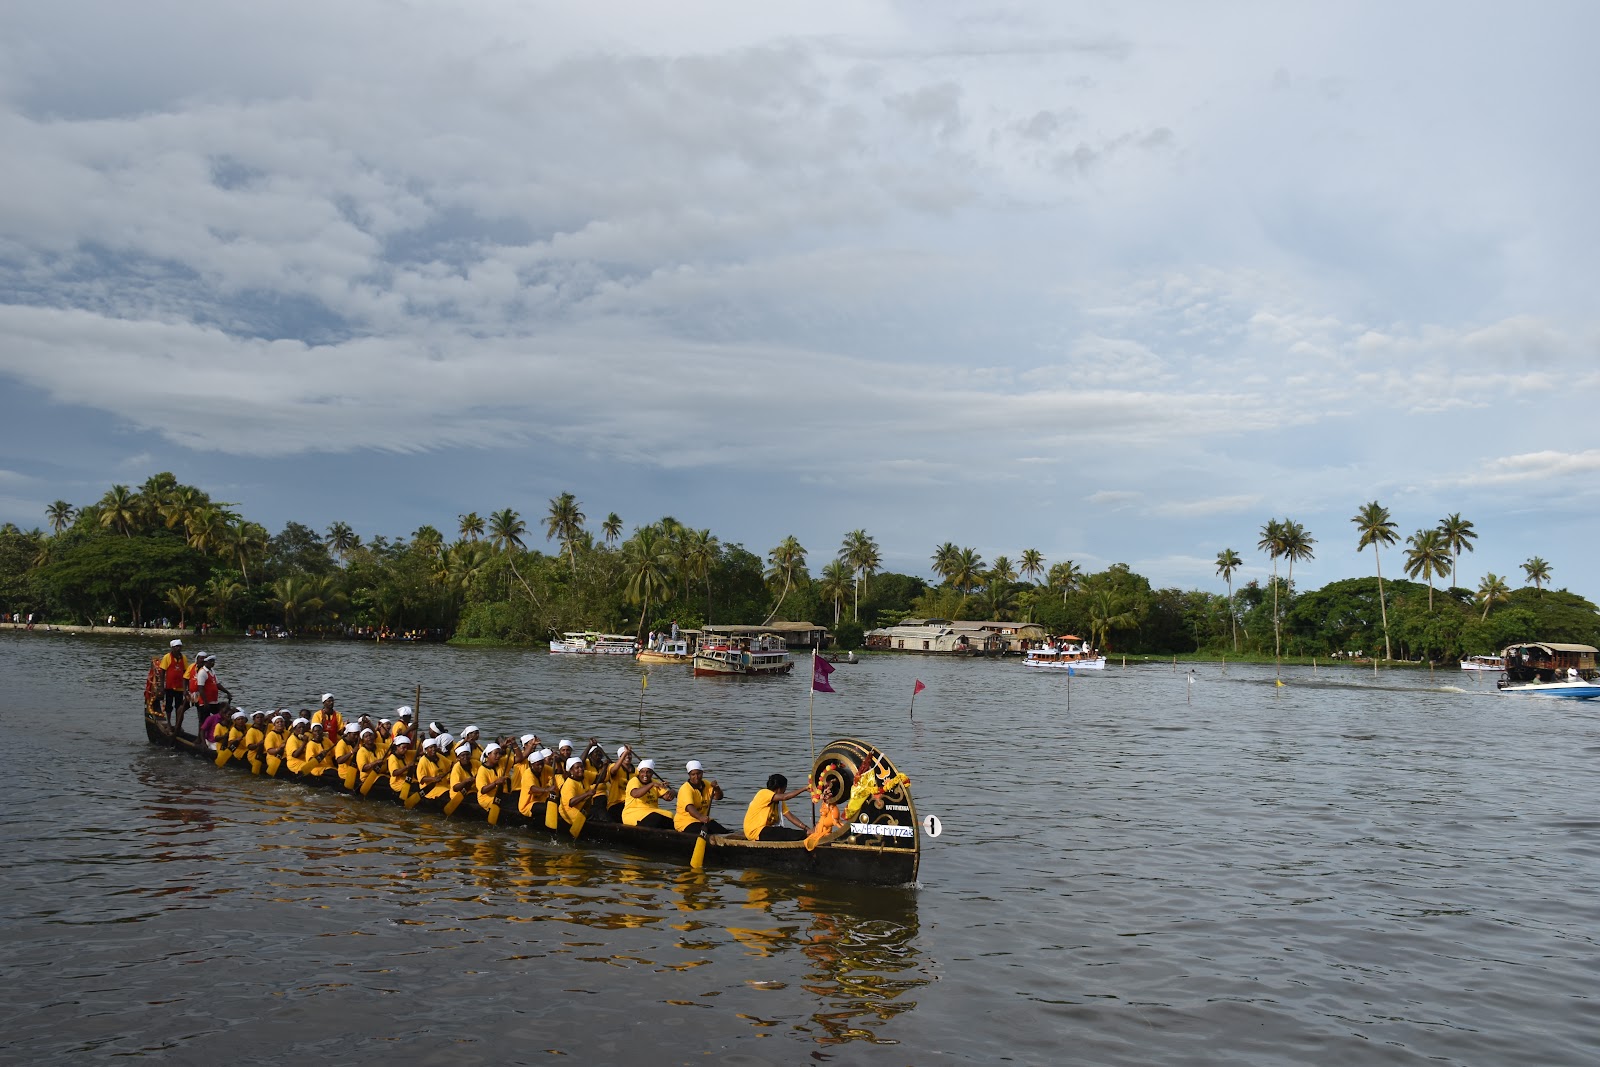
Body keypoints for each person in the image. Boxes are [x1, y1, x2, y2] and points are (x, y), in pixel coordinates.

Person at [743, 774, 812, 841]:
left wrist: (806, 828)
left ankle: (807, 834)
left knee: (781, 831)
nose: (784, 791)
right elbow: (785, 797)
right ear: (779, 789)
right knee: (781, 832)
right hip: (755, 831)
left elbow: (790, 817)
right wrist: (804, 788)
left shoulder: (779, 801)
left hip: (767, 830)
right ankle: (805, 835)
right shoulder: (763, 793)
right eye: (784, 789)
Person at [675, 760, 727, 834]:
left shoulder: (707, 784)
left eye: (698, 774)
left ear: (702, 773)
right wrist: (700, 817)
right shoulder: (685, 789)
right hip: (686, 822)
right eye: (693, 774)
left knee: (724, 832)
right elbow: (689, 807)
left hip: (703, 820)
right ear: (689, 775)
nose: (696, 777)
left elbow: (718, 797)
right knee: (707, 833)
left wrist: (717, 789)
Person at [623, 759, 675, 829]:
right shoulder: (634, 781)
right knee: (655, 817)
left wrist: (672, 792)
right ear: (639, 772)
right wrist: (651, 785)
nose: (645, 775)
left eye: (648, 772)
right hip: (633, 812)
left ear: (652, 773)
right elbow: (635, 794)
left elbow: (667, 798)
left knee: (671, 816)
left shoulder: (654, 782)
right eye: (642, 772)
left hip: (651, 811)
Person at [558, 755, 603, 835]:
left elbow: (600, 778)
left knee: (599, 811)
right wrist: (587, 794)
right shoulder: (569, 784)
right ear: (571, 771)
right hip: (569, 810)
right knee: (593, 817)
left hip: (583, 807)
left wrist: (604, 768)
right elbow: (571, 802)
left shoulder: (585, 775)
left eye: (582, 767)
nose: (581, 769)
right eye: (577, 768)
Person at [157, 639, 188, 729]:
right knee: (168, 706)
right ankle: (169, 724)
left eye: (179, 647)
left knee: (179, 707)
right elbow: (162, 672)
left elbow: (186, 672)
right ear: (172, 648)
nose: (178, 649)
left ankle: (178, 725)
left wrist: (186, 688)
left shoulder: (184, 658)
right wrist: (162, 687)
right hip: (170, 686)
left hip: (180, 687)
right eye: (176, 647)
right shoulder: (167, 657)